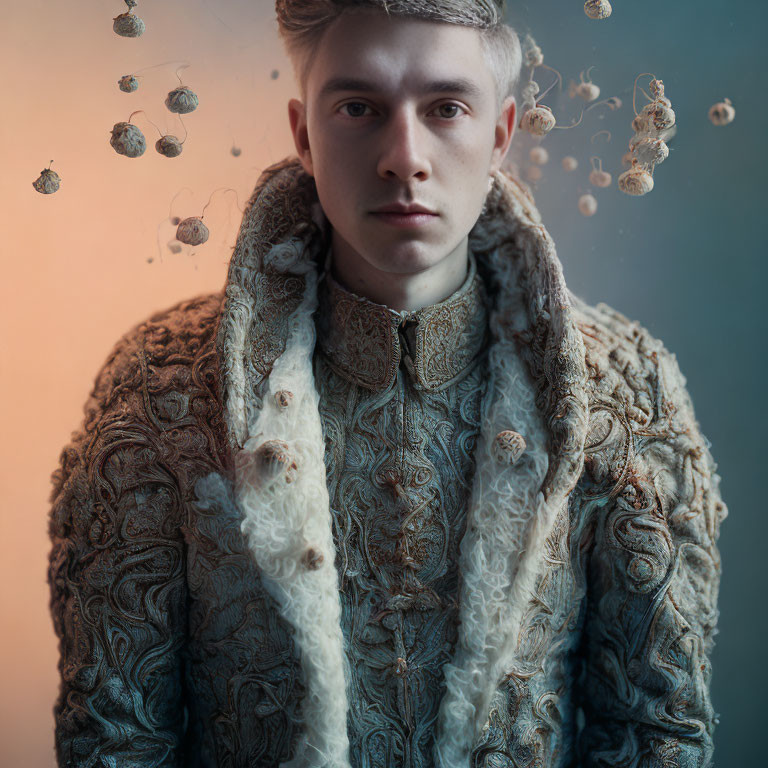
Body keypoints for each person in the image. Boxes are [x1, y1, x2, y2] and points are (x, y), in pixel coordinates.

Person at [46, 2, 728, 767]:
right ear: (305, 134)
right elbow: (115, 737)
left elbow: (655, 733)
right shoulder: (162, 385)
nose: (404, 156)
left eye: (445, 108)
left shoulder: (624, 389)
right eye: (360, 107)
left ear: (500, 134)